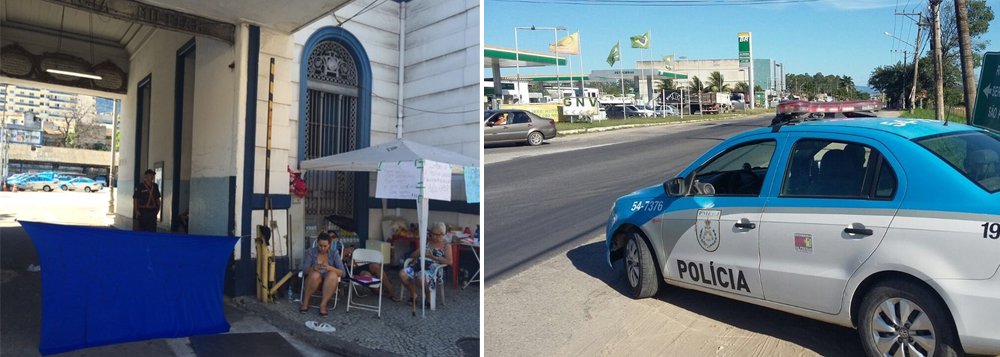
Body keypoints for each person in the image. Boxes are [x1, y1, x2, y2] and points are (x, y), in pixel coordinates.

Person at [399, 222, 452, 314]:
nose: (433, 236)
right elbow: (413, 255)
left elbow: (449, 261)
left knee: (421, 277)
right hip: (419, 265)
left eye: (436, 234)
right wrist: (419, 252)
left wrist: (433, 257)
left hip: (434, 269)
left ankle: (428, 299)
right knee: (402, 274)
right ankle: (413, 295)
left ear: (442, 234)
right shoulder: (428, 242)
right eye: (432, 234)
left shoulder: (446, 245)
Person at [300, 232, 346, 316]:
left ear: (329, 245)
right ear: (317, 243)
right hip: (313, 281)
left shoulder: (334, 253)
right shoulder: (312, 251)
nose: (322, 248)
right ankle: (305, 302)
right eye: (320, 245)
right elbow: (304, 270)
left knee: (333, 275)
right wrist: (313, 268)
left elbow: (343, 273)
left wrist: (330, 268)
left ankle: (323, 305)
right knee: (315, 274)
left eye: (325, 246)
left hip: (328, 282)